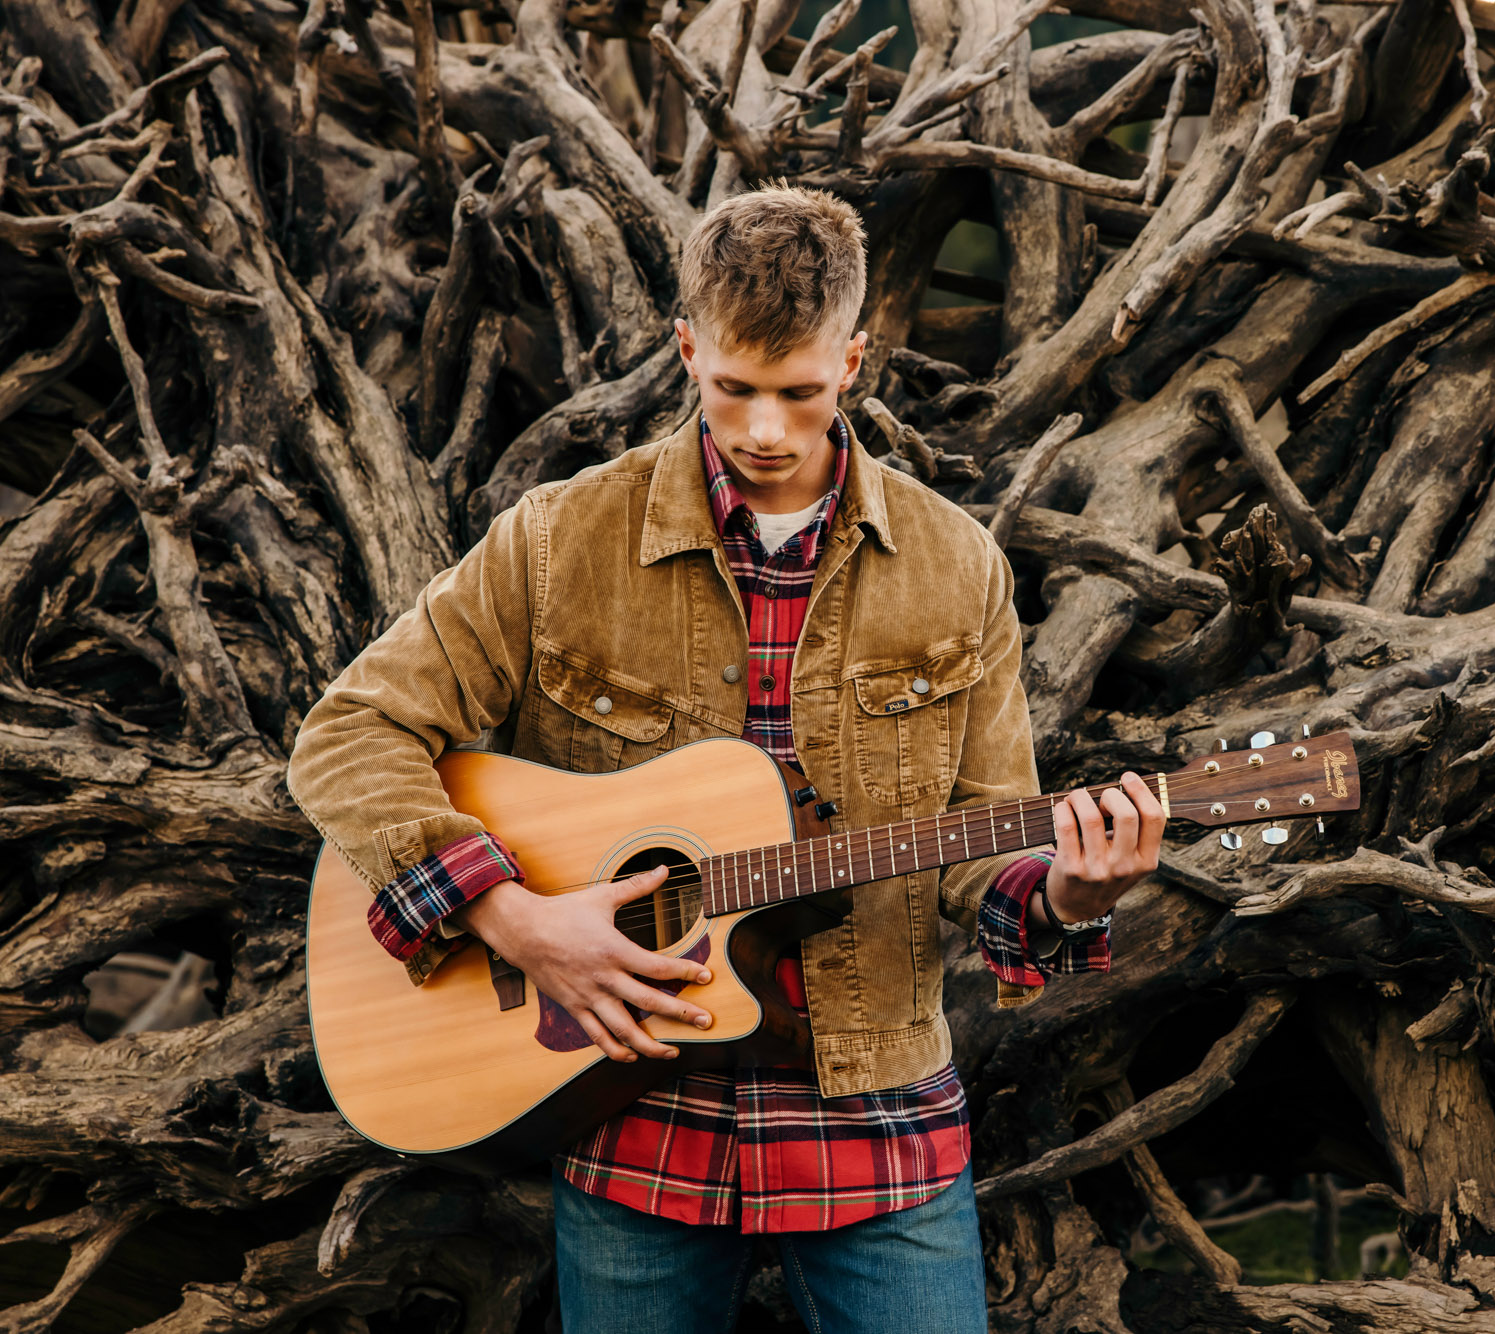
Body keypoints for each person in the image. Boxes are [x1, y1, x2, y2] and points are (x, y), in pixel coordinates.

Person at [286, 181, 1166, 1333]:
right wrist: (508, 915)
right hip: (628, 1126)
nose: (763, 430)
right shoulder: (562, 540)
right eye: (733, 386)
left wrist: (1064, 888)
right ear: (686, 347)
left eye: (799, 391)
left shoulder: (958, 566)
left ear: (854, 358)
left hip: (877, 1133)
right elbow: (348, 733)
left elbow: (976, 839)